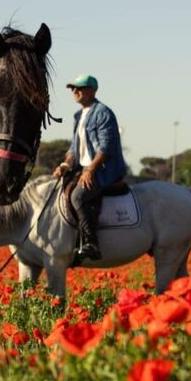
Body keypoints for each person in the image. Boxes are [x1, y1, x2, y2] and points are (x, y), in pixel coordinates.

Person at [53, 74, 126, 260]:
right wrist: (65, 164)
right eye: (73, 88)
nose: (75, 91)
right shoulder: (79, 115)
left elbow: (106, 147)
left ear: (92, 91)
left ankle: (91, 243)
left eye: (79, 88)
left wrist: (90, 170)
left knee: (78, 196)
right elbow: (73, 148)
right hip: (83, 168)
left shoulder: (103, 113)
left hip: (103, 170)